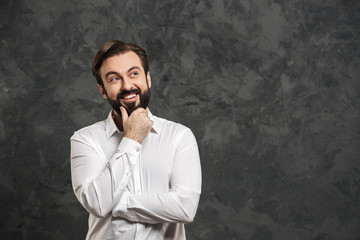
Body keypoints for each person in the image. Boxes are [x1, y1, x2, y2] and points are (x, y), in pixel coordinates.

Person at [70, 40, 202, 240]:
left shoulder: (179, 136)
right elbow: (97, 203)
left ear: (148, 79)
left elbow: (185, 208)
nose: (127, 85)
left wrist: (118, 203)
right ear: (103, 90)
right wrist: (131, 139)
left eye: (134, 74)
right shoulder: (85, 139)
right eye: (114, 78)